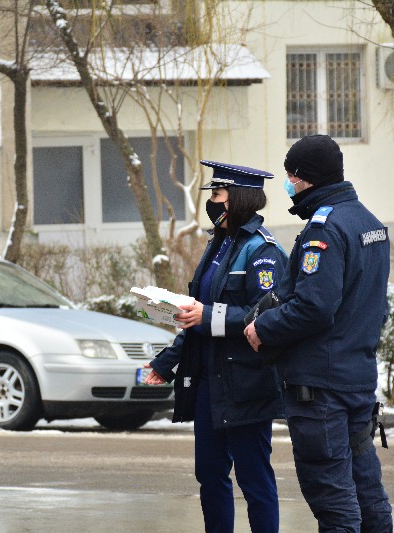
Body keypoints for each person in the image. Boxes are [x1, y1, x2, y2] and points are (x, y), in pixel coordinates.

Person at [244, 134, 393, 532]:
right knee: (367, 490)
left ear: (306, 178)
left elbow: (314, 307)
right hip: (357, 380)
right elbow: (378, 307)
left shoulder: (323, 230)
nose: (288, 183)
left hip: (320, 390)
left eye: (291, 175)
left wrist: (264, 327)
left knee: (333, 497)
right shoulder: (369, 223)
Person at [144, 160, 288, 533]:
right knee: (209, 475)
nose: (211, 201)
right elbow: (198, 316)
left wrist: (207, 316)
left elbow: (267, 314)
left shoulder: (262, 251)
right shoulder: (219, 245)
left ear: (237, 199)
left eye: (217, 194)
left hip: (247, 383)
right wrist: (165, 363)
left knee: (254, 479)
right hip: (210, 381)